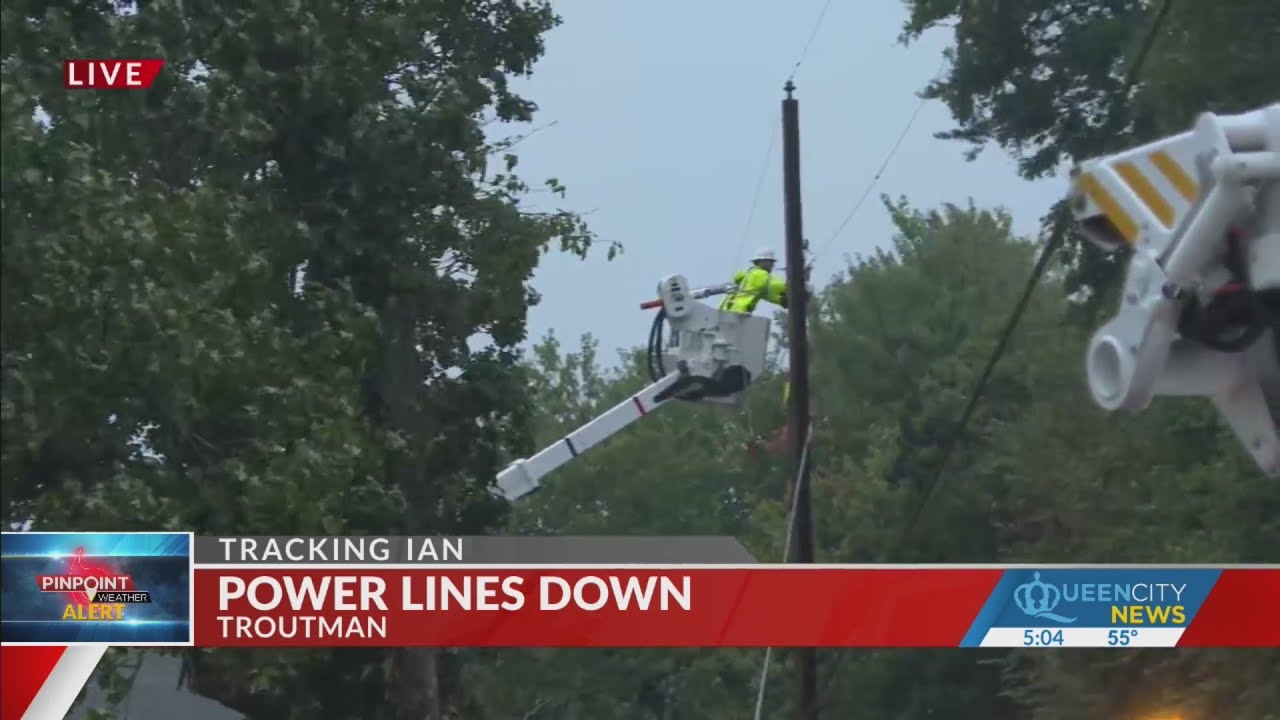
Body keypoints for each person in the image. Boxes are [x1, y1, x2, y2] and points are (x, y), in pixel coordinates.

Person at [719, 248, 788, 315]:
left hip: (725, 311)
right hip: (740, 312)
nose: (773, 265)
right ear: (762, 261)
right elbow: (775, 287)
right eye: (771, 261)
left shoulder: (746, 274)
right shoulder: (760, 274)